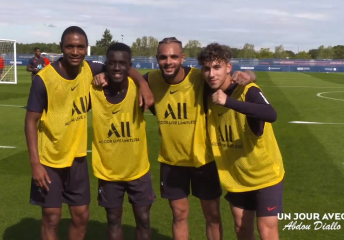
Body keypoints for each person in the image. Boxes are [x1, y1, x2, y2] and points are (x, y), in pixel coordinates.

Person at [94, 37, 256, 240]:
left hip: (203, 160)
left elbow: (228, 80)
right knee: (179, 215)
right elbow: (127, 70)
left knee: (212, 216)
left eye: (173, 56)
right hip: (172, 162)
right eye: (163, 57)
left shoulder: (198, 77)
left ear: (182, 57)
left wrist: (249, 74)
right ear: (157, 59)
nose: (168, 61)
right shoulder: (152, 79)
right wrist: (140, 83)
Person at [25, 26, 153, 240]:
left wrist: (142, 84)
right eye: (70, 46)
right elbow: (30, 121)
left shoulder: (90, 68)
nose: (75, 51)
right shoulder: (43, 80)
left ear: (86, 49)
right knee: (51, 218)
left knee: (82, 216)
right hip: (50, 160)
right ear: (61, 48)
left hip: (77, 158)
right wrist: (35, 164)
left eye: (80, 47)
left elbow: (121, 65)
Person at [199, 43, 284, 240]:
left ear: (229, 67)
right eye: (206, 68)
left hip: (265, 175)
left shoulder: (248, 91)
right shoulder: (207, 91)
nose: (211, 74)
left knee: (267, 230)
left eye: (217, 67)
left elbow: (271, 114)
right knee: (241, 229)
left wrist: (229, 101)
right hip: (236, 175)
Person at [90, 42, 155, 240]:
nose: (117, 67)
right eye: (112, 63)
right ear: (105, 64)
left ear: (130, 65)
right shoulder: (93, 88)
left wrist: (143, 83)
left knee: (143, 219)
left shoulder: (139, 89)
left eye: (122, 63)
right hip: (108, 172)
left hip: (138, 170)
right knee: (113, 219)